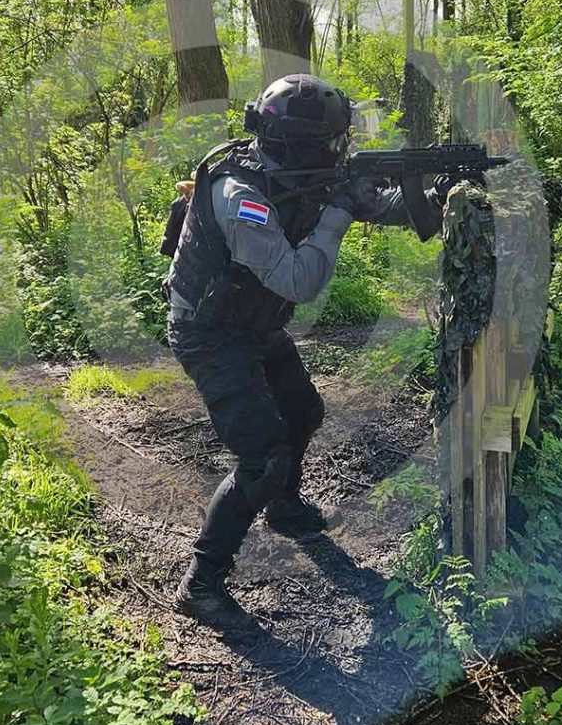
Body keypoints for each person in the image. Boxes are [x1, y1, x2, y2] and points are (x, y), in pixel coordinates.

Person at [164, 73, 447, 632]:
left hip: (255, 323)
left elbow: (381, 205)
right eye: (335, 140)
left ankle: (284, 508)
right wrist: (338, 213)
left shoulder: (308, 171)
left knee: (303, 412)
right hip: (210, 332)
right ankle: (201, 583)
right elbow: (298, 280)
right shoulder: (238, 194)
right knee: (263, 456)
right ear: (306, 143)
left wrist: (431, 192)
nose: (342, 149)